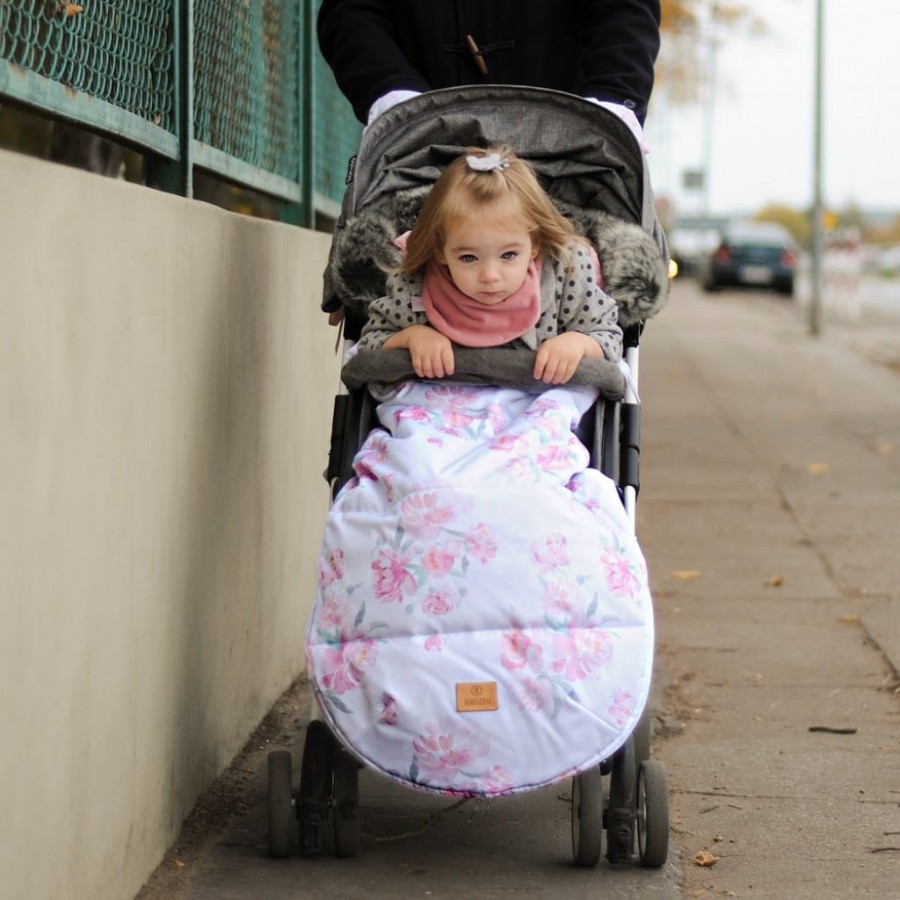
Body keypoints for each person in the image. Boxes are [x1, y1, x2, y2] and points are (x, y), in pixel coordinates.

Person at [355, 145, 622, 386]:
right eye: (468, 258)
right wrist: (411, 337)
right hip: (440, 411)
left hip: (539, 410)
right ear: (441, 252)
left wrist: (578, 343)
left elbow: (608, 336)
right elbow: (370, 343)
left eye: (508, 255)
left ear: (535, 244)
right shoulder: (417, 283)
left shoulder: (565, 275)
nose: (490, 276)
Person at [317, 0, 661, 144]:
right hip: (421, 140)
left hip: (565, 142)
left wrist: (612, 105)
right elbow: (353, 13)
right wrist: (394, 97)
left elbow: (623, 12)